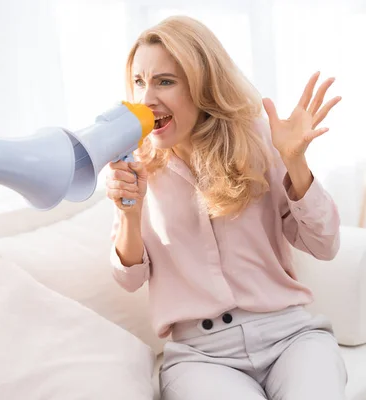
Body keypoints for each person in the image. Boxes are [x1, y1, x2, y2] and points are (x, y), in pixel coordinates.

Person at [107, 15, 346, 400]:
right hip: (201, 358)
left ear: (202, 82)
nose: (146, 98)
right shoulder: (134, 165)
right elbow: (130, 279)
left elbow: (325, 245)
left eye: (165, 81)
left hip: (289, 336)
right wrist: (128, 214)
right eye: (139, 81)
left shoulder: (259, 140)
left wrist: (295, 163)